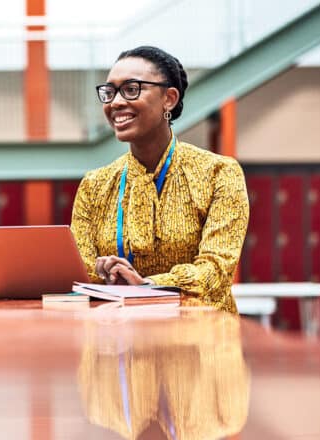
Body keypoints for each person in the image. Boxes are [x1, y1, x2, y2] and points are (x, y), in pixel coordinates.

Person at [70, 46, 249, 313]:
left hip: (200, 342)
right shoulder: (94, 185)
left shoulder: (219, 173)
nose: (115, 102)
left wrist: (149, 286)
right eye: (109, 92)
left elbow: (216, 270)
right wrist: (103, 273)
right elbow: (79, 273)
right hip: (118, 342)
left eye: (131, 89)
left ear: (169, 98)